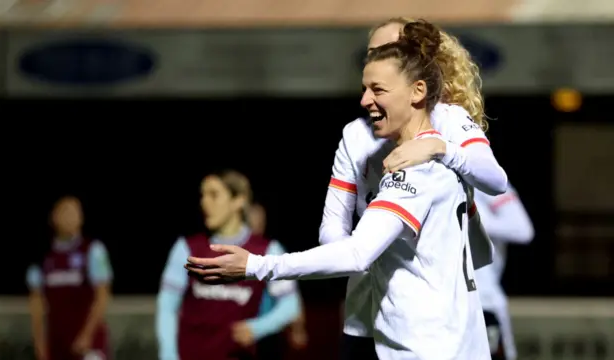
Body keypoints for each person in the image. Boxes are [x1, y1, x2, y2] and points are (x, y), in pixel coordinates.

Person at [187, 21, 491, 360]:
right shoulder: (414, 150)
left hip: (423, 344)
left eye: (379, 86)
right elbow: (476, 251)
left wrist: (256, 265)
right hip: (457, 337)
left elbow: (358, 252)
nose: (365, 100)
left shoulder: (420, 160)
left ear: (416, 87)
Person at [321, 17, 506, 360]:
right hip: (365, 315)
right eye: (372, 53)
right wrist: (361, 254)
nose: (377, 61)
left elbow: (495, 180)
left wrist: (441, 148)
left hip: (431, 319)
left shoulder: (449, 119)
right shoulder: (354, 135)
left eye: (389, 51)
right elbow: (333, 227)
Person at [156, 170, 301, 360]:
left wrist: (257, 327)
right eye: (203, 195)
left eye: (214, 195)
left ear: (238, 201)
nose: (204, 202)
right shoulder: (186, 248)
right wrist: (168, 355)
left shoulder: (267, 250)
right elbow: (166, 307)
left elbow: (291, 305)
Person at [26, 196, 113, 360]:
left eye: (75, 212)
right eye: (66, 212)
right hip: (57, 344)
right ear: (54, 217)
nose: (71, 217)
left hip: (89, 345)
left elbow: (102, 296)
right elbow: (36, 305)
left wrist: (86, 335)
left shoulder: (93, 251)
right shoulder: (42, 258)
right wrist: (39, 344)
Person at [474, 184, 534, 360]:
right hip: (437, 303)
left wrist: (472, 218)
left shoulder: (484, 179)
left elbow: (523, 230)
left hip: (484, 301)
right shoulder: (420, 179)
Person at [247, 203, 309, 360]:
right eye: (254, 219)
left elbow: (290, 297)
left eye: (261, 220)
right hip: (234, 332)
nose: (258, 224)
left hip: (267, 335)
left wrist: (298, 329)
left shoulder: (272, 251)